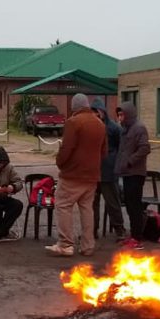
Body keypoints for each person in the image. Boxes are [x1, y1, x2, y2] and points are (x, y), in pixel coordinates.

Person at [47, 93, 107, 257]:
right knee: (87, 209)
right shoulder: (99, 123)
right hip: (92, 175)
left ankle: (66, 244)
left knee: (63, 205)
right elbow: (104, 151)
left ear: (74, 107)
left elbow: (67, 148)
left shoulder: (73, 122)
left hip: (73, 175)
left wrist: (60, 162)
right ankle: (88, 245)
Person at [114, 102, 151, 250]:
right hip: (127, 173)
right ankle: (134, 234)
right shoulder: (125, 129)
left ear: (128, 114)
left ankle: (137, 237)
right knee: (129, 205)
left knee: (134, 205)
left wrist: (130, 162)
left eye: (122, 114)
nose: (120, 117)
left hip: (135, 173)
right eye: (119, 114)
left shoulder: (139, 128)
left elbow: (144, 148)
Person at [91, 98, 125, 240]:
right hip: (93, 171)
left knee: (112, 203)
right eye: (93, 112)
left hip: (109, 172)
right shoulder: (91, 127)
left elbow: (120, 148)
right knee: (92, 204)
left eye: (97, 111)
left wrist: (115, 165)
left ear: (102, 111)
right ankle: (92, 231)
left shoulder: (114, 128)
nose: (96, 114)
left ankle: (119, 230)